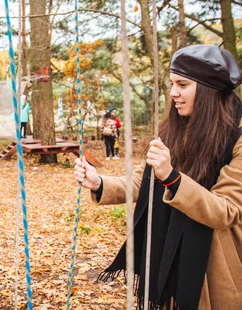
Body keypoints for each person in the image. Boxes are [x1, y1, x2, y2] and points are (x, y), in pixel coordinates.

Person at [74, 44, 242, 309]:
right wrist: (99, 182)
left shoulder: (238, 139)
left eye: (183, 84)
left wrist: (173, 178)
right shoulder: (175, 129)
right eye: (172, 83)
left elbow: (226, 210)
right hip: (169, 256)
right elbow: (145, 183)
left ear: (209, 90)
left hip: (213, 269)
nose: (173, 93)